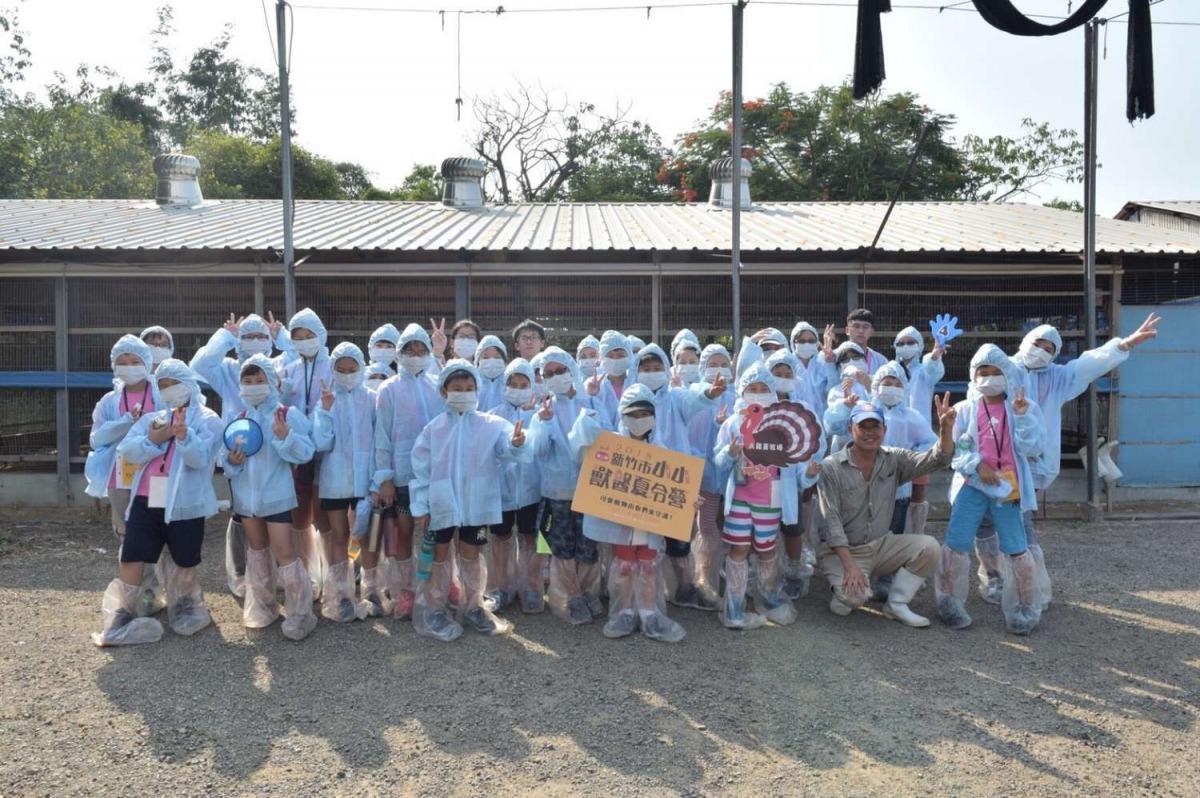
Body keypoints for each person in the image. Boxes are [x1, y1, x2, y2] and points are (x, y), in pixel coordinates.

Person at [971, 313, 1162, 606]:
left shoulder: (1059, 377)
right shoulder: (1003, 368)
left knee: (1021, 522)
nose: (1043, 351)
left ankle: (1031, 589)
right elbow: (977, 399)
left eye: (1050, 349)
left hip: (1032, 465)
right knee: (985, 522)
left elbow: (1089, 362)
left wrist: (1125, 344)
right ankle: (995, 579)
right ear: (1025, 341)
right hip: (993, 461)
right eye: (1038, 343)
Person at [92, 359, 223, 646]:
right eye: (162, 386)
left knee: (184, 555)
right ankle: (123, 613)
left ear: (189, 384)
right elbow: (129, 450)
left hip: (185, 498)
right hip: (148, 494)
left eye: (173, 384)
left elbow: (200, 459)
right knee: (133, 552)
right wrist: (153, 439)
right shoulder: (155, 418)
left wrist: (185, 437)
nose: (169, 391)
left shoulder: (208, 419)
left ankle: (187, 606)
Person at [409, 359, 535, 642]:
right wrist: (420, 505)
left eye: (469, 388)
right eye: (457, 388)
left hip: (477, 505)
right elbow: (421, 470)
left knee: (471, 553)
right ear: (444, 391)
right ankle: (436, 609)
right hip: (442, 503)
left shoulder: (491, 425)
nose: (464, 393)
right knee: (440, 555)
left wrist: (517, 443)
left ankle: (473, 606)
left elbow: (510, 453)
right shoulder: (434, 428)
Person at [815, 394, 957, 628]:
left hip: (880, 545)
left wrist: (945, 430)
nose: (870, 432)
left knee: (929, 547)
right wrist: (850, 567)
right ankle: (848, 585)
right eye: (863, 426)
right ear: (851, 429)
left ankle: (897, 604)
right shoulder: (831, 467)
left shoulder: (893, 458)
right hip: (844, 551)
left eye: (875, 426)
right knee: (853, 599)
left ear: (884, 429)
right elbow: (830, 521)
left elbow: (937, 460)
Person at [935, 344, 1046, 635]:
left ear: (1007, 373)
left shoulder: (1023, 406)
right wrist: (976, 465)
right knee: (956, 544)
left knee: (1016, 547)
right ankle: (949, 601)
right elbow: (955, 452)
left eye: (995, 372)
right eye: (982, 372)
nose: (988, 378)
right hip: (973, 486)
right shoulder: (964, 409)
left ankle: (1025, 606)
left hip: (1007, 489)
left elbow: (1033, 448)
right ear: (973, 376)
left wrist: (1022, 419)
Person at [569, 384, 688, 642]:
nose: (638, 421)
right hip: (621, 522)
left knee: (647, 565)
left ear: (654, 418)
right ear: (621, 416)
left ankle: (648, 612)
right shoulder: (611, 448)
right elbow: (581, 440)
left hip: (649, 522)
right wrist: (587, 416)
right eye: (631, 416)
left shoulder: (664, 453)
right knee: (624, 565)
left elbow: (676, 485)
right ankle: (623, 611)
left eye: (644, 415)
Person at [712, 362, 820, 630]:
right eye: (752, 388)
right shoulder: (732, 424)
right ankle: (734, 608)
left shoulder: (782, 426)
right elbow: (717, 461)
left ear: (772, 392)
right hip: (739, 497)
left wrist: (810, 475)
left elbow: (796, 472)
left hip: (771, 500)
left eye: (763, 388)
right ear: (742, 391)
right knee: (738, 549)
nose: (758, 393)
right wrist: (729, 453)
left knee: (767, 548)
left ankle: (769, 599)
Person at [190, 312, 288, 597]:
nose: (255, 341)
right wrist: (227, 337)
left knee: (278, 513)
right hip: (238, 453)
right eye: (248, 336)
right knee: (242, 513)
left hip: (274, 450)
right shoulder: (229, 368)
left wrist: (281, 336)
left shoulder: (278, 364)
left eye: (261, 336)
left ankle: (279, 573)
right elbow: (200, 364)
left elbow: (304, 359)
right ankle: (243, 574)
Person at [221, 354, 318, 640]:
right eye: (247, 381)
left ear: (272, 382)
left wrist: (285, 435)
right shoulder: (238, 418)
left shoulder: (286, 414)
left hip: (276, 496)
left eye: (259, 380)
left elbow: (305, 452)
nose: (253, 386)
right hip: (246, 499)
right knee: (257, 550)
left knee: (285, 553)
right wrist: (232, 461)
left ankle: (301, 613)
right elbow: (224, 460)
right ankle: (263, 607)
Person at [372, 322, 441, 620]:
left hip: (434, 475)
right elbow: (382, 438)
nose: (414, 354)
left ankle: (435, 587)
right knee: (403, 533)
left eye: (420, 349)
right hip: (402, 476)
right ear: (399, 354)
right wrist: (384, 477)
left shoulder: (437, 385)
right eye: (408, 349)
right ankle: (405, 591)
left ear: (428, 352)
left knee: (434, 533)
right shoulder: (388, 389)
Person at [528, 346, 599, 625]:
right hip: (557, 491)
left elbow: (607, 439)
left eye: (560, 371)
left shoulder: (592, 403)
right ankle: (571, 597)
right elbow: (539, 451)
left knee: (588, 545)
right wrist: (544, 425)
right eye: (548, 374)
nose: (555, 377)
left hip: (591, 489)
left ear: (571, 370)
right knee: (562, 547)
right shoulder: (543, 411)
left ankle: (585, 592)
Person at [311, 342, 378, 622]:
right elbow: (321, 443)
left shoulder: (374, 399)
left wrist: (379, 478)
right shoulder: (325, 400)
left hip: (367, 479)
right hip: (335, 479)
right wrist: (326, 411)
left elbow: (380, 440)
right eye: (342, 369)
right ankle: (341, 595)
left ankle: (373, 591)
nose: (348, 374)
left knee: (369, 536)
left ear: (362, 368)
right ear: (333, 370)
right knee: (339, 535)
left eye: (353, 369)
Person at [276, 308, 333, 599]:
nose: (303, 341)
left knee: (325, 517)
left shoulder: (335, 366)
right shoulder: (287, 369)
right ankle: (304, 579)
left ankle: (329, 578)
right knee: (299, 515)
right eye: (297, 337)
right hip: (296, 452)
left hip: (328, 451)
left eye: (308, 335)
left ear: (321, 335)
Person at [765, 348, 827, 599]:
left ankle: (793, 574)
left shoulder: (801, 408)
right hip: (761, 482)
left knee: (792, 527)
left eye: (786, 373)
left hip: (789, 478)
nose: (781, 377)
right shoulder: (757, 405)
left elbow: (814, 442)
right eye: (776, 373)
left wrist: (809, 470)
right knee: (763, 530)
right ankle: (765, 576)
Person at [85, 335, 158, 541]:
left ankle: (158, 574)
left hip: (159, 473)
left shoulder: (160, 396)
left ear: (147, 363)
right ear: (114, 366)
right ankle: (132, 574)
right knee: (126, 533)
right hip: (119, 477)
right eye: (123, 363)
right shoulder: (108, 402)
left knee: (159, 527)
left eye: (135, 362)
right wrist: (123, 423)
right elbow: (95, 440)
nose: (129, 367)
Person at [484, 358, 543, 614]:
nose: (518, 389)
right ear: (505, 386)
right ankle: (500, 587)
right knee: (501, 537)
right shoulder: (493, 415)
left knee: (531, 537)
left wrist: (532, 418)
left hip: (531, 489)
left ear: (532, 386)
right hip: (503, 490)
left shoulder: (541, 414)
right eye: (513, 384)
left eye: (524, 384)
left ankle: (531, 586)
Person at [690, 344, 736, 602]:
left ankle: (722, 575)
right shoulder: (694, 395)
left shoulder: (737, 398)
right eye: (712, 364)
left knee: (724, 525)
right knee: (706, 527)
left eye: (723, 364)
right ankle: (703, 578)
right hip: (702, 473)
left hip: (729, 473)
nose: (718, 370)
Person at [892, 325, 946, 536]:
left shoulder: (924, 370)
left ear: (919, 346)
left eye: (910, 343)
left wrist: (934, 356)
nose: (905, 347)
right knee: (894, 486)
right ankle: (895, 532)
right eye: (901, 343)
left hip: (919, 438)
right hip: (895, 435)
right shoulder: (891, 370)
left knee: (918, 488)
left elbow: (934, 369)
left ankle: (916, 534)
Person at [823, 342, 874, 452]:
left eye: (856, 357)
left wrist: (868, 386)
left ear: (864, 359)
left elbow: (883, 411)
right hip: (843, 448)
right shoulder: (836, 391)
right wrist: (845, 404)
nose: (851, 361)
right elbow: (833, 425)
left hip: (873, 444)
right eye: (845, 359)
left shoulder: (878, 382)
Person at [584, 329, 632, 424]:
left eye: (621, 355)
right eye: (609, 356)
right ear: (601, 358)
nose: (615, 360)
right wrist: (590, 395)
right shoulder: (592, 384)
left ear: (630, 356)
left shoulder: (636, 384)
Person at [474, 333, 509, 412]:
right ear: (477, 361)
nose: (492, 361)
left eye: (497, 357)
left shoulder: (511, 383)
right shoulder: (473, 383)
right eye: (486, 357)